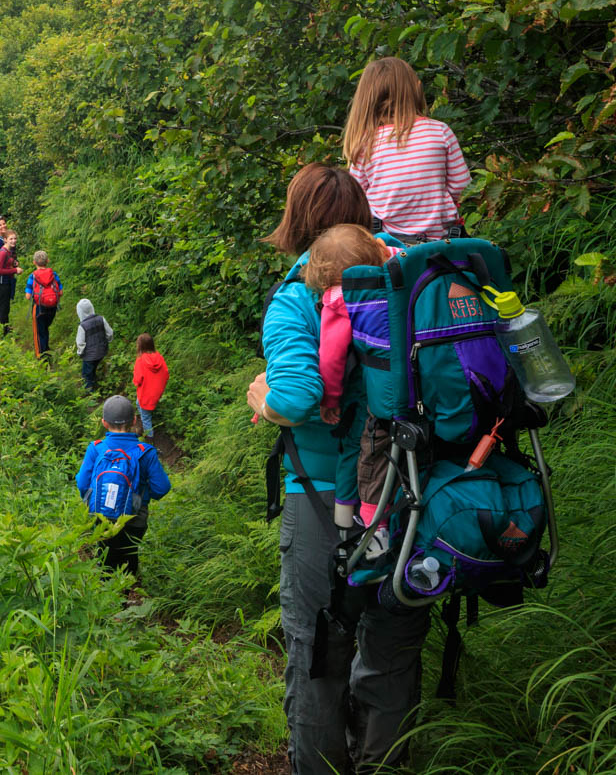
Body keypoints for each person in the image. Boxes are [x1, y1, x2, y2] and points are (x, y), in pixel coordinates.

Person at [247, 163, 428, 775]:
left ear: (298, 223)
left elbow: (298, 398)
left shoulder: (299, 293)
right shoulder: (410, 268)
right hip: (411, 493)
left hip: (325, 500)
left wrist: (260, 397)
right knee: (393, 650)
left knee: (318, 652)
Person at [305, 223, 403, 550]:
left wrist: (330, 398)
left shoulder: (339, 296)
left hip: (374, 389)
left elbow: (331, 357)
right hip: (419, 376)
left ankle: (355, 525)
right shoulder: (400, 266)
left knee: (359, 449)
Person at [343, 56, 472, 244]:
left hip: (387, 245)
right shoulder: (440, 131)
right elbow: (461, 186)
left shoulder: (366, 142)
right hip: (441, 242)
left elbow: (357, 198)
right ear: (415, 88)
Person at [74, 394, 172, 579]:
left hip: (101, 516)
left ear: (104, 422)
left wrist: (93, 500)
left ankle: (105, 593)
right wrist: (140, 497)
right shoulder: (145, 452)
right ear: (134, 420)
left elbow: (82, 482)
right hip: (133, 517)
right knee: (129, 552)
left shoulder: (96, 448)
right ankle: (127, 593)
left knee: (105, 553)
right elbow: (162, 487)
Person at [25, 250, 63, 362]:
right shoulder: (54, 274)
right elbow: (60, 292)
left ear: (34, 262)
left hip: (39, 307)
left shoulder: (33, 276)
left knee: (39, 332)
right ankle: (47, 350)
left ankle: (41, 357)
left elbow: (28, 296)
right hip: (52, 307)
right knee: (45, 328)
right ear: (48, 261)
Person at [131, 333, 168, 439]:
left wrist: (136, 382)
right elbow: (166, 374)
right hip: (156, 392)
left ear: (140, 346)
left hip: (145, 393)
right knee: (141, 405)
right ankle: (145, 425)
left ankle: (149, 438)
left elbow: (137, 380)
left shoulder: (141, 361)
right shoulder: (159, 357)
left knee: (146, 417)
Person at [74, 297, 112, 390]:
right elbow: (110, 333)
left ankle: (90, 393)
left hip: (89, 356)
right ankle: (95, 383)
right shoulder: (101, 319)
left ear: (79, 312)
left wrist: (80, 353)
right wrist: (107, 342)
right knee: (93, 368)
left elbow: (80, 343)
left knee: (86, 374)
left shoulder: (82, 326)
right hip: (102, 351)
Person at [0, 233, 20, 335]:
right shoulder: (3, 252)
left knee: (5, 307)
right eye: (11, 239)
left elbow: (7, 265)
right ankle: (3, 332)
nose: (14, 241)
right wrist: (15, 270)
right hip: (2, 283)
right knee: (3, 307)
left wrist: (14, 264)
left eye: (15, 238)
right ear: (5, 239)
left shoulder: (9, 251)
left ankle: (4, 328)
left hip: (7, 282)